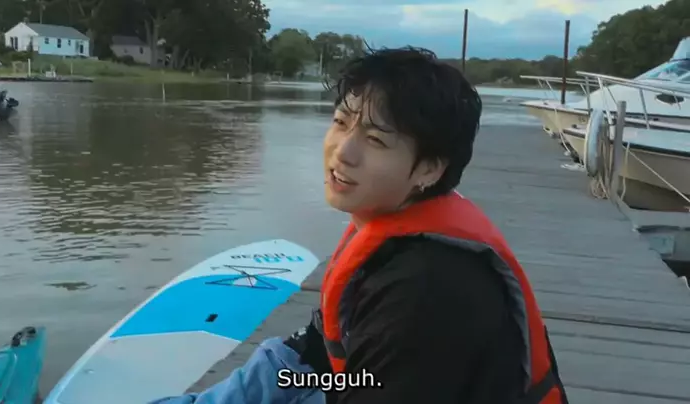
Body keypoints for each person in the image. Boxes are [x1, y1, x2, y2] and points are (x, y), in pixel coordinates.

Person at [150, 46, 569, 404]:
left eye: (376, 140)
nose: (343, 152)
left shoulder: (427, 291)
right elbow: (319, 351)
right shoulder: (394, 227)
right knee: (277, 371)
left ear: (429, 168)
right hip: (357, 381)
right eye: (341, 122)